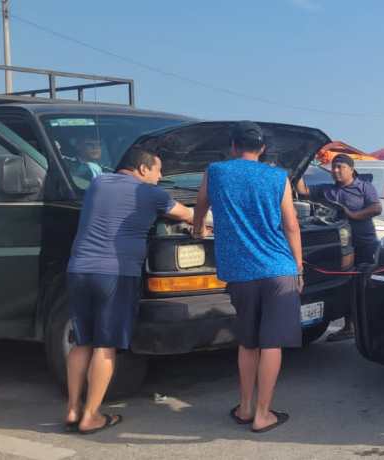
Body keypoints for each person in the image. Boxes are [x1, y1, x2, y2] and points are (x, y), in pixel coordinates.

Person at [63, 147, 194, 434]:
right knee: (105, 345)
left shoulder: (98, 183)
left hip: (78, 269)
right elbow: (186, 214)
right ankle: (91, 415)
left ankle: (72, 408)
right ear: (143, 169)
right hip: (115, 273)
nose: (160, 178)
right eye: (158, 171)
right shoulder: (151, 194)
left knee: (81, 341)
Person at [193, 121, 304, 433]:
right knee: (272, 343)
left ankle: (244, 408)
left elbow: (201, 206)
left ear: (232, 146)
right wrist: (299, 267)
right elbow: (291, 226)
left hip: (240, 272)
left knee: (248, 342)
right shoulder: (277, 176)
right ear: (263, 149)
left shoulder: (215, 171)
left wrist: (198, 228)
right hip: (279, 269)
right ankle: (263, 414)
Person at [310, 154, 382, 341]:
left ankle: (371, 326)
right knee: (346, 284)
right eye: (334, 167)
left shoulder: (364, 187)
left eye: (340, 167)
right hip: (340, 247)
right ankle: (348, 327)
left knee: (365, 283)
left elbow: (376, 208)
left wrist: (352, 215)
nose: (335, 170)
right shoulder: (326, 189)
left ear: (351, 169)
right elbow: (302, 190)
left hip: (364, 243)